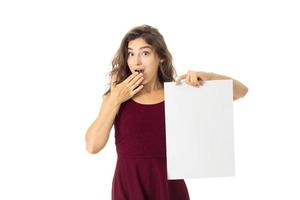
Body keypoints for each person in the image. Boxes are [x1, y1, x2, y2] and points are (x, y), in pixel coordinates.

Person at [85, 24, 248, 200]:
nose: (136, 61)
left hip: (169, 188)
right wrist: (115, 99)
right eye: (131, 53)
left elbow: (241, 91)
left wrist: (207, 76)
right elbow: (93, 146)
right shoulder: (116, 97)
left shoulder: (179, 93)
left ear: (160, 57)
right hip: (129, 187)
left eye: (145, 53)